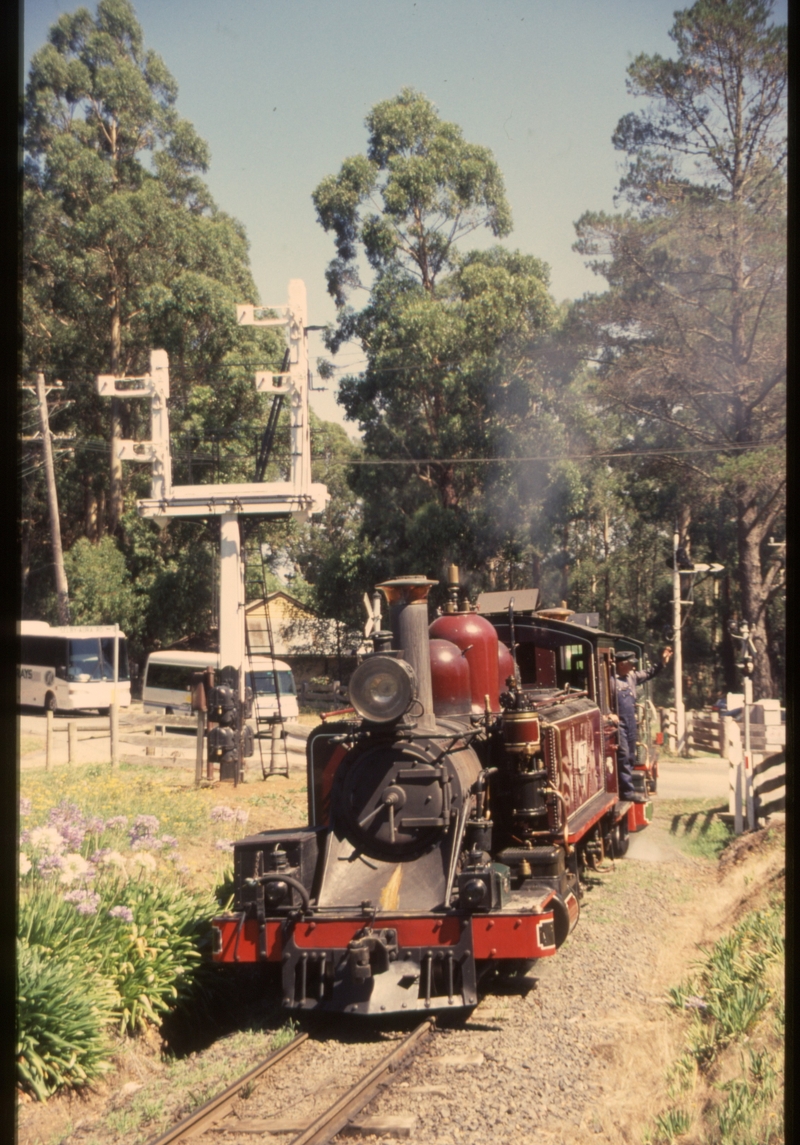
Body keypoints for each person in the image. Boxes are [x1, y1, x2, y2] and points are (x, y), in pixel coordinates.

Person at [610, 647, 673, 803]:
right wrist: (607, 713)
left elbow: (649, 673)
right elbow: (600, 699)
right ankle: (626, 791)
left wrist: (662, 663)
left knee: (631, 755)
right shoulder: (610, 680)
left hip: (631, 722)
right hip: (619, 724)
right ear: (622, 664)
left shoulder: (631, 677)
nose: (634, 667)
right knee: (623, 755)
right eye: (631, 664)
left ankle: (626, 787)